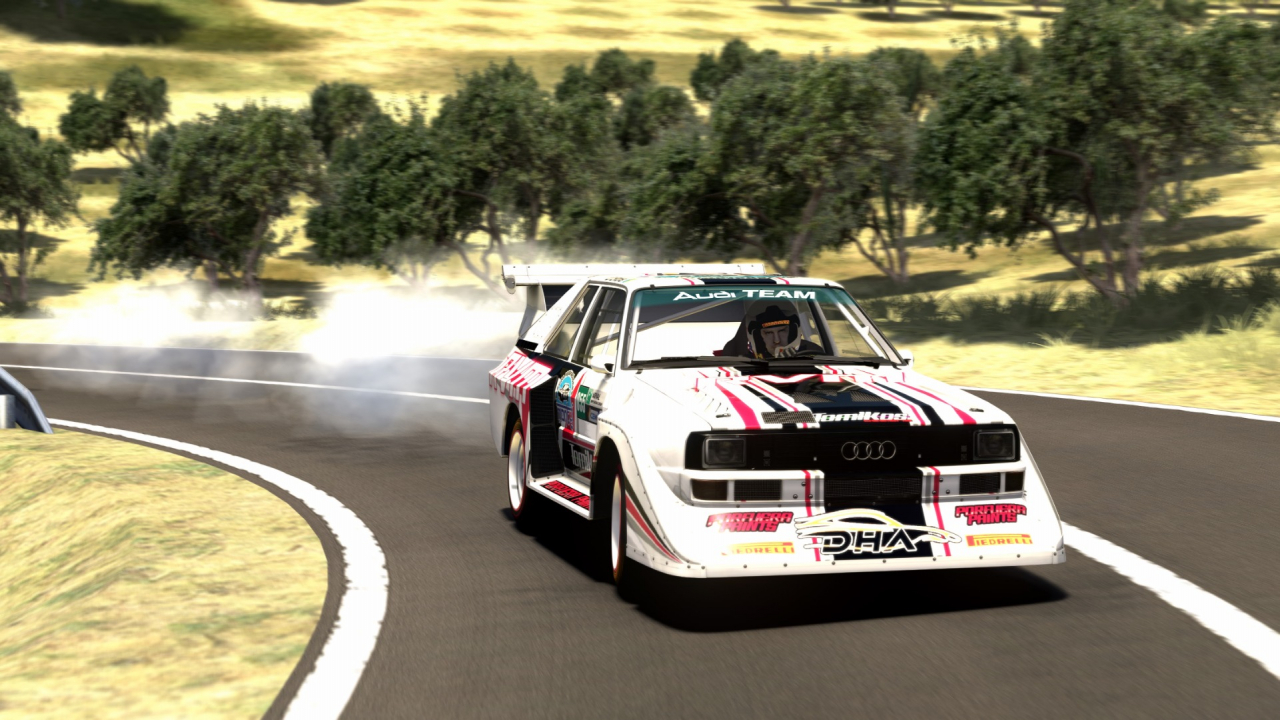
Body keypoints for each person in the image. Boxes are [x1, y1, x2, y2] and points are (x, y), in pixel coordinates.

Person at [720, 301, 826, 358]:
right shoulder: (742, 361)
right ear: (758, 336)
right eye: (768, 333)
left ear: (793, 331)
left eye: (782, 331)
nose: (777, 340)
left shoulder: (813, 352)